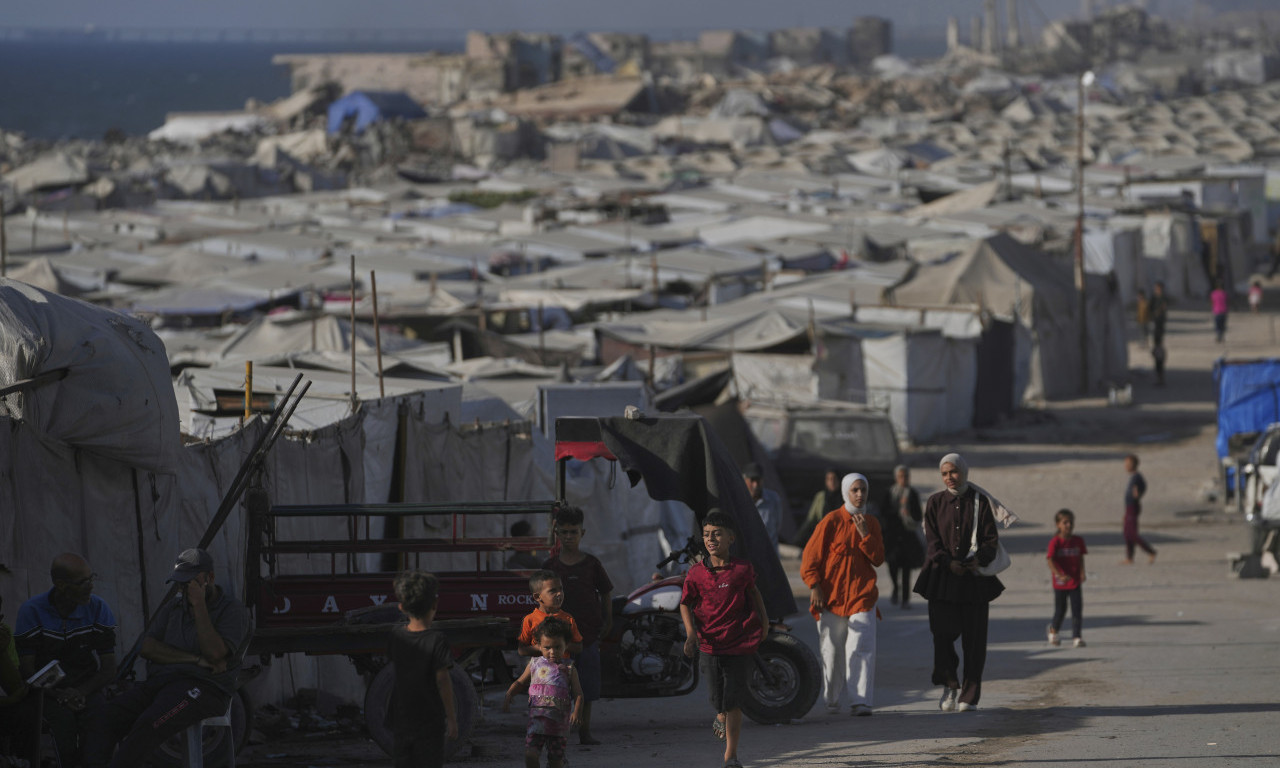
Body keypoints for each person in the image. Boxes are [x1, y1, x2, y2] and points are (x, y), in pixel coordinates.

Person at [83, 548, 248, 768]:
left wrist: (199, 605)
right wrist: (195, 659)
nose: (184, 589)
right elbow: (147, 647)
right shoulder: (174, 607)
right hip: (163, 682)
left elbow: (214, 653)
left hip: (204, 688)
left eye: (190, 582)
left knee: (150, 723)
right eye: (180, 583)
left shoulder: (232, 610)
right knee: (104, 717)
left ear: (209, 578)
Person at [912, 453, 1004, 713]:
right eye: (944, 473)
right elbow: (932, 541)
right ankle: (949, 683)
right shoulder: (935, 502)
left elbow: (990, 539)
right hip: (941, 579)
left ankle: (969, 695)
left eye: (953, 472)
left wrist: (978, 560)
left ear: (964, 471)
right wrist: (947, 562)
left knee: (974, 642)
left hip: (974, 582)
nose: (949, 477)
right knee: (942, 635)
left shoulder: (980, 502)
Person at [680, 510, 768, 768]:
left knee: (733, 700)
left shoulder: (742, 569)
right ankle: (719, 712)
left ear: (731, 538)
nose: (711, 539)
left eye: (717, 534)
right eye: (707, 534)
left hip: (738, 642)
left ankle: (731, 754)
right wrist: (691, 634)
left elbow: (755, 594)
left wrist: (764, 623)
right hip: (709, 644)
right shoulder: (696, 573)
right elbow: (685, 603)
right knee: (716, 699)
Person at [14, 553, 118, 767]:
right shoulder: (32, 611)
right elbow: (28, 671)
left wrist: (80, 692)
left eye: (92, 578)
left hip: (87, 687)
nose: (90, 586)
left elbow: (109, 668)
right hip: (46, 692)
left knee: (100, 725)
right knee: (63, 730)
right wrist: (59, 695)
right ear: (60, 585)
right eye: (83, 582)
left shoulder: (98, 608)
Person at [801, 473, 884, 716]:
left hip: (862, 596)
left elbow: (878, 559)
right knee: (832, 651)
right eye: (855, 490)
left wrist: (865, 535)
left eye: (863, 490)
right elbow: (810, 558)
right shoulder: (831, 521)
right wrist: (814, 586)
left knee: (861, 646)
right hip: (831, 598)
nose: (859, 495)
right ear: (846, 492)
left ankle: (861, 701)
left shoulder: (871, 523)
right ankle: (832, 698)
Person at [542, 506, 612, 745]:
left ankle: (584, 732)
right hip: (558, 641)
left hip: (587, 636)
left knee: (587, 688)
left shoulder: (591, 564)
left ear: (582, 533)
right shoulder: (550, 567)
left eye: (573, 532)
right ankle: (557, 733)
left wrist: (608, 620)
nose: (569, 537)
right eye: (564, 532)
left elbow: (606, 592)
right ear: (557, 534)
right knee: (557, 687)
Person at [388, 570, 458, 768]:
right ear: (435, 604)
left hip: (401, 718)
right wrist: (452, 719)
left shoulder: (396, 636)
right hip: (430, 720)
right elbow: (442, 680)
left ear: (401, 607)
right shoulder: (437, 640)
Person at [503, 617, 583, 768]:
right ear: (538, 645)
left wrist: (577, 711)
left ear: (566, 645)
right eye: (547, 647)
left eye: (557, 647)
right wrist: (509, 694)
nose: (552, 652)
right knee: (530, 755)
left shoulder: (569, 668)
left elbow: (578, 693)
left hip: (558, 724)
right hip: (536, 722)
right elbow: (520, 682)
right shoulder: (534, 664)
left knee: (555, 761)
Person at [880, 465, 925, 609]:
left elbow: (918, 515)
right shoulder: (890, 492)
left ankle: (905, 599)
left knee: (906, 568)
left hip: (907, 536)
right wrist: (896, 512)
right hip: (892, 536)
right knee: (892, 565)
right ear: (896, 478)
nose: (903, 479)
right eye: (901, 476)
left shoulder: (912, 493)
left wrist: (908, 514)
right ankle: (895, 587)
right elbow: (883, 512)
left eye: (906, 476)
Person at [1046, 509, 1087, 648]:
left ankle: (1077, 637)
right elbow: (1050, 560)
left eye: (1070, 522)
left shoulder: (1078, 541)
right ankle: (1053, 630)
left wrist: (1082, 572)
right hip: (1060, 583)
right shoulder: (1055, 542)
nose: (1068, 525)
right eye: (1065, 522)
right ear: (1058, 524)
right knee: (1061, 609)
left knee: (1077, 609)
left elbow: (1080, 557)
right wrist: (1059, 574)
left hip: (1075, 580)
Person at [517, 572, 583, 658]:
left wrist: (562, 645)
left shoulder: (568, 618)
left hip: (562, 666)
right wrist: (540, 647)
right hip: (539, 666)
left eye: (561, 589)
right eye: (552, 591)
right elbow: (521, 650)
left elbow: (579, 647)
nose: (559, 593)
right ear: (537, 597)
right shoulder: (530, 620)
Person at [0, 592, 31, 764]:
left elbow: (15, 688)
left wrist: (2, 652)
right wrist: (9, 701)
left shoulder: (3, 634)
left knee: (25, 713)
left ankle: (22, 761)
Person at [793, 469, 844, 548]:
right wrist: (798, 538)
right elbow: (811, 519)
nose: (832, 482)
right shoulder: (820, 497)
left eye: (834, 478)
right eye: (829, 479)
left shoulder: (845, 497)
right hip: (823, 536)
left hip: (840, 537)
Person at [1121, 454, 1157, 564]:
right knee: (1127, 533)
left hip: (1133, 506)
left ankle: (1151, 552)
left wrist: (1138, 495)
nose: (1125, 466)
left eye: (1127, 464)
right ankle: (1129, 557)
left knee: (1132, 533)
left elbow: (1142, 487)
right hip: (1129, 507)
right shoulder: (1134, 476)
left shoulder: (1137, 477)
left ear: (1133, 465)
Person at [742, 463, 783, 551]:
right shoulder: (738, 500)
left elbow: (777, 526)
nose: (755, 485)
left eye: (758, 480)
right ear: (745, 480)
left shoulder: (773, 499)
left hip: (769, 553)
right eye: (752, 480)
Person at [1150, 281, 1169, 348]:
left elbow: (1165, 306)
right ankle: (1156, 344)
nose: (1157, 289)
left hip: (1161, 317)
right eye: (1156, 288)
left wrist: (1161, 309)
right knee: (1156, 331)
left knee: (1161, 331)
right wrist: (1152, 313)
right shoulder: (1154, 296)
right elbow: (1150, 306)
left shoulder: (1163, 297)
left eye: (1158, 288)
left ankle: (1160, 344)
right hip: (1156, 317)